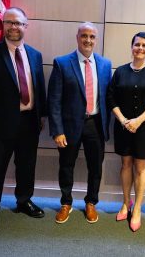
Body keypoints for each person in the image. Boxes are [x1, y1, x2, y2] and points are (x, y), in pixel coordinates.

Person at [0, 7, 47, 237]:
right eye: (9, 22)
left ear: (26, 26)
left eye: (18, 23)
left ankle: (23, 201)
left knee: (26, 166)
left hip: (29, 122)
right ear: (3, 25)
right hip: (0, 124)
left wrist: (41, 116)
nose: (14, 27)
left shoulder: (35, 55)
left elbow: (39, 87)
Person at [48, 22, 112, 224]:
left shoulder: (105, 64)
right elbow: (54, 100)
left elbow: (107, 97)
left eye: (92, 36)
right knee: (66, 165)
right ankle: (66, 203)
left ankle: (91, 202)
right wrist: (57, 130)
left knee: (96, 167)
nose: (88, 40)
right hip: (69, 127)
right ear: (77, 37)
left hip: (95, 124)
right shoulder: (62, 63)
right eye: (84, 35)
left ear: (96, 39)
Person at [107, 32, 145, 232]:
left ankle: (138, 207)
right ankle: (126, 203)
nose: (140, 48)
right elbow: (110, 98)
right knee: (125, 164)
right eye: (137, 44)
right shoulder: (121, 71)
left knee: (141, 167)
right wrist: (124, 120)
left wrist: (138, 121)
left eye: (144, 45)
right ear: (131, 47)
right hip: (123, 126)